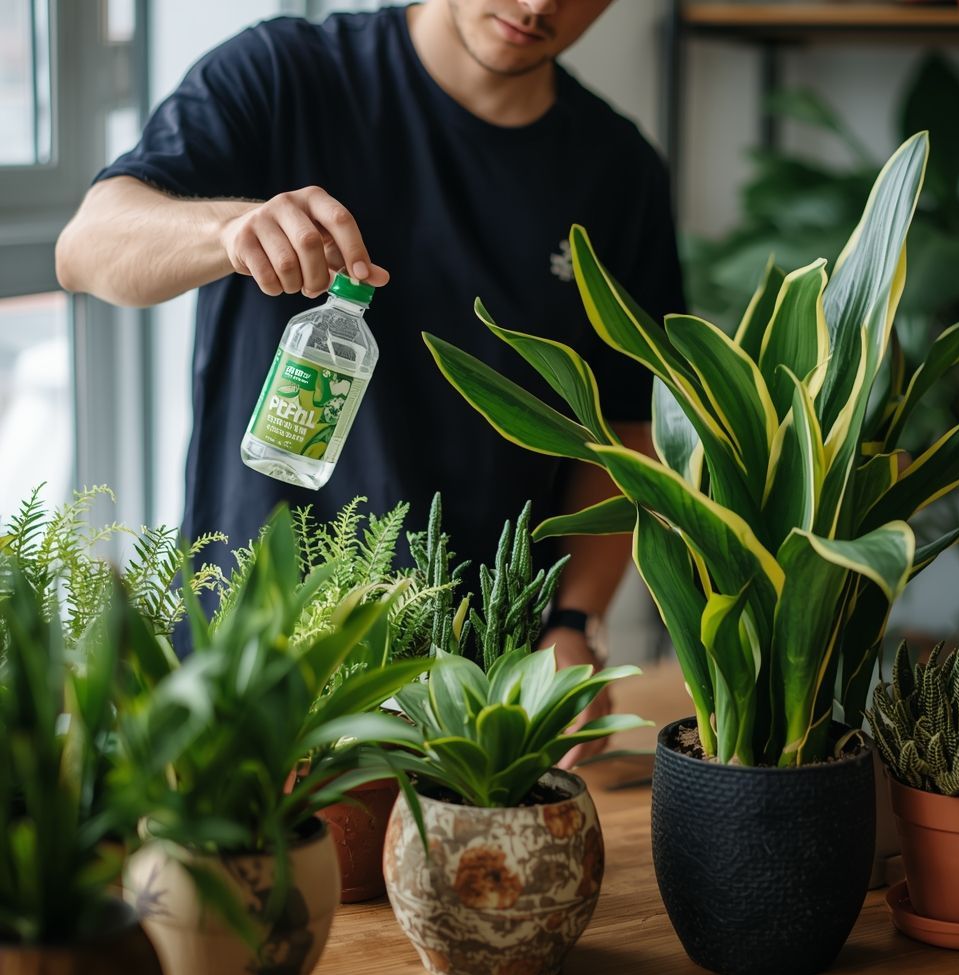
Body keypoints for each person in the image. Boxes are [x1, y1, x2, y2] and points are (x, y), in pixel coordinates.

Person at [55, 0, 684, 762]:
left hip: (478, 697)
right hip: (255, 664)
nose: (536, 5)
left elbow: (625, 432)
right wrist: (226, 231)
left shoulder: (619, 172)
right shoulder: (287, 74)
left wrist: (575, 623)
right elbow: (88, 246)